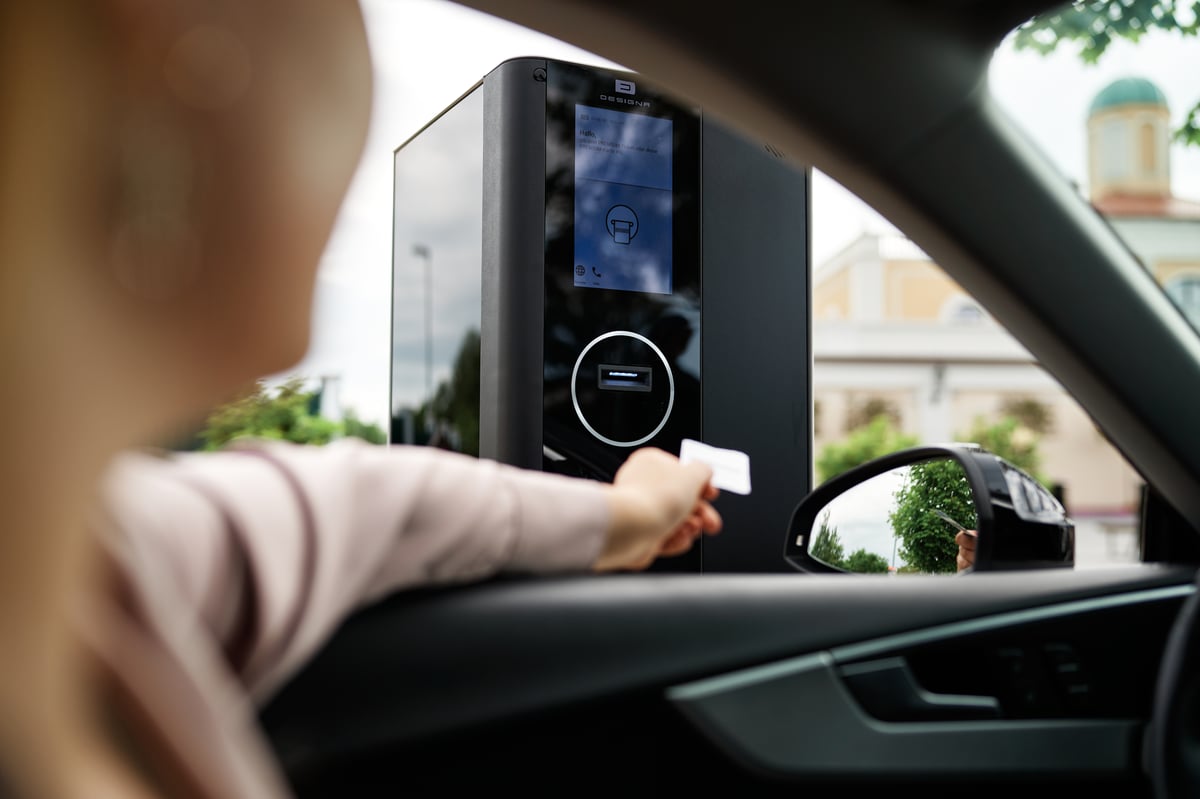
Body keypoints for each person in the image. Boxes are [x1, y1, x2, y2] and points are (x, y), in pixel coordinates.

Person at [0, 3, 721, 798]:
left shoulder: (105, 560)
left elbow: (375, 504)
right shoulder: (113, 571)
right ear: (174, 46)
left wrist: (629, 515)